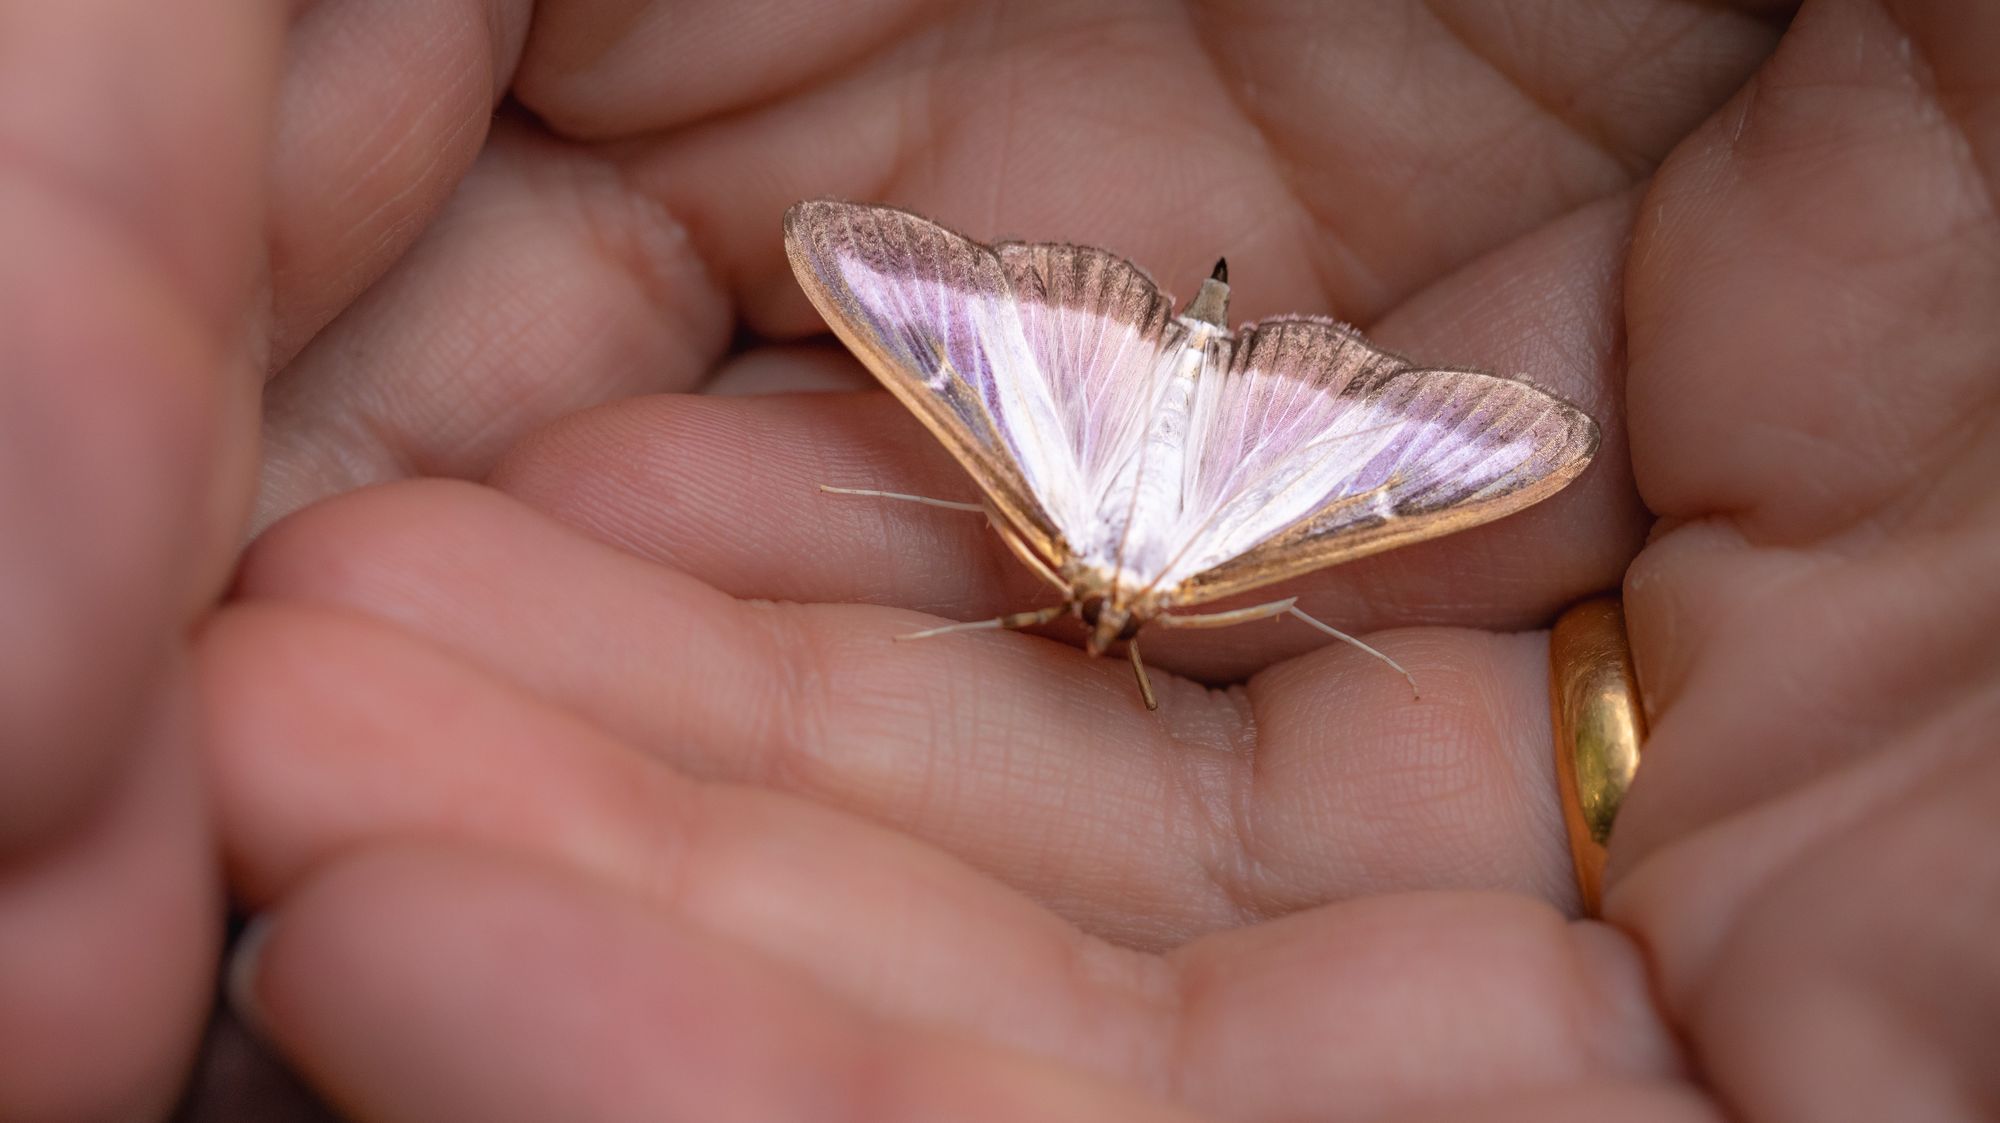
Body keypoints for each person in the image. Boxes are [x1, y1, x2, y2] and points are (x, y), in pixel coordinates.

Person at [4, 1, 1995, 1119]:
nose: (1106, 634)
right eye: (1102, 629)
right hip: (1211, 470)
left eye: (1110, 633)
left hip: (1145, 439)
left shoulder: (1099, 556)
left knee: (1304, 481)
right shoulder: (1140, 577)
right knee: (1120, 452)